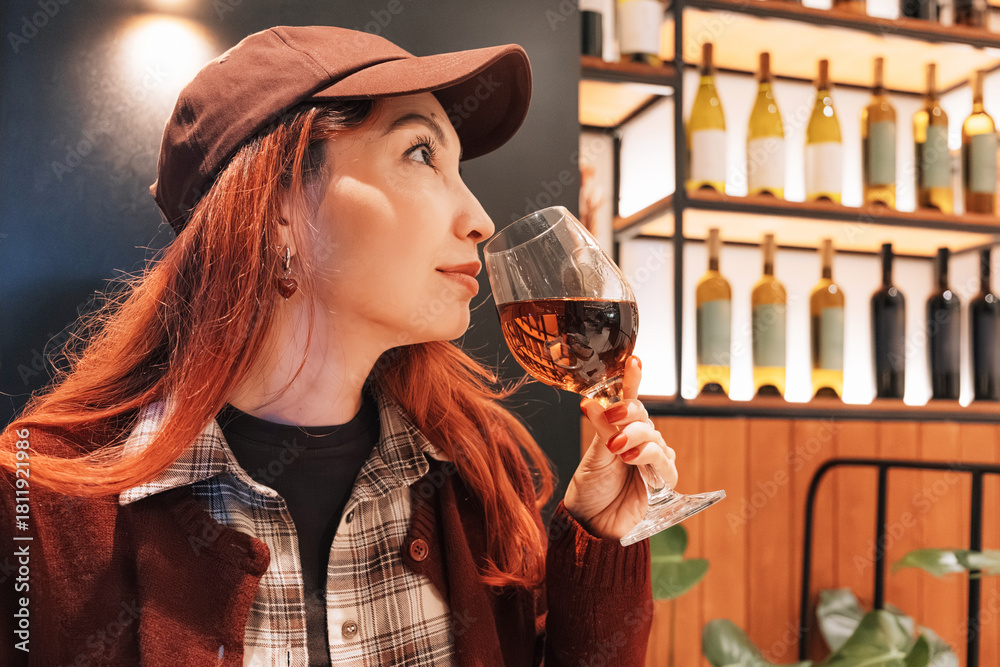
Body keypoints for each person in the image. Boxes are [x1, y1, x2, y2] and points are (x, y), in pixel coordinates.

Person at [0, 25, 678, 666]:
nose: (480, 218)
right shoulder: (35, 508)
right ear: (277, 209)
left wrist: (602, 535)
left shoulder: (475, 468)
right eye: (421, 153)